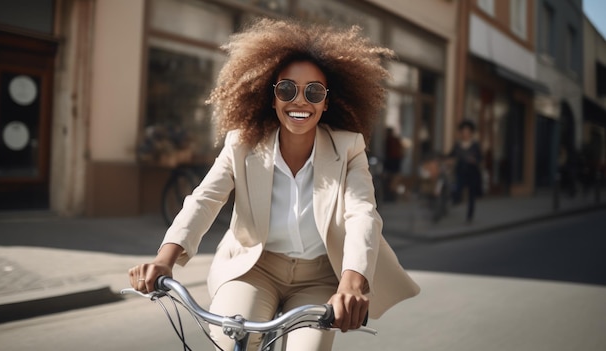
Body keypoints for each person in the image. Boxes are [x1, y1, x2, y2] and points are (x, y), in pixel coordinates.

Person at [128, 18, 420, 351]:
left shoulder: (349, 148)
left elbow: (362, 215)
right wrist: (165, 259)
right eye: (286, 89)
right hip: (254, 269)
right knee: (230, 341)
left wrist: (352, 284)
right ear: (272, 97)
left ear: (326, 102)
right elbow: (205, 200)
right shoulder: (242, 145)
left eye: (313, 91)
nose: (300, 101)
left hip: (318, 276)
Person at [449, 120, 482, 222]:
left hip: (472, 172)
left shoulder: (475, 145)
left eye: (467, 132)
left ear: (470, 133)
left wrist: (475, 160)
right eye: (463, 132)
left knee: (471, 195)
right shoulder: (458, 145)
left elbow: (480, 158)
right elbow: (451, 155)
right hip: (461, 171)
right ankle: (455, 201)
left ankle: (469, 216)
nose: (465, 134)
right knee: (457, 188)